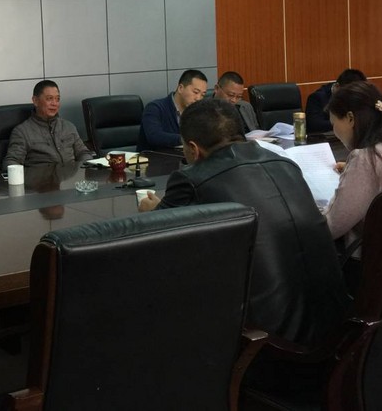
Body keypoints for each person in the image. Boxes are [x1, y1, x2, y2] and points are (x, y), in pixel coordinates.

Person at [139, 99, 348, 345]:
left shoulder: (191, 179)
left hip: (268, 339)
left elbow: (155, 242)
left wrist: (152, 211)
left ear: (193, 149)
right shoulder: (285, 164)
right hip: (339, 326)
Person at [326, 82, 382, 251]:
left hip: (375, 258)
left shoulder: (367, 159)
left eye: (334, 123)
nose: (334, 131)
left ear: (350, 118)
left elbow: (331, 227)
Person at [2, 80, 93, 168]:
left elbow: (83, 153)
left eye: (57, 99)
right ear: (35, 101)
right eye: (49, 98)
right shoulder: (22, 132)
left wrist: (88, 168)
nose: (54, 103)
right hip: (41, 178)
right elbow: (11, 162)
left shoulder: (69, 126)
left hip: (71, 177)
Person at [138, 69, 208, 150]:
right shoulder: (155, 108)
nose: (198, 98)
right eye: (195, 92)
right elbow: (154, 136)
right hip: (153, 156)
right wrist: (186, 140)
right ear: (180, 88)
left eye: (202, 95)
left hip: (183, 157)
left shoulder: (197, 112)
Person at [306, 68, 366, 133]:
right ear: (337, 87)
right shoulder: (317, 98)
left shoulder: (358, 95)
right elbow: (314, 125)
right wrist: (343, 123)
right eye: (347, 94)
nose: (349, 99)